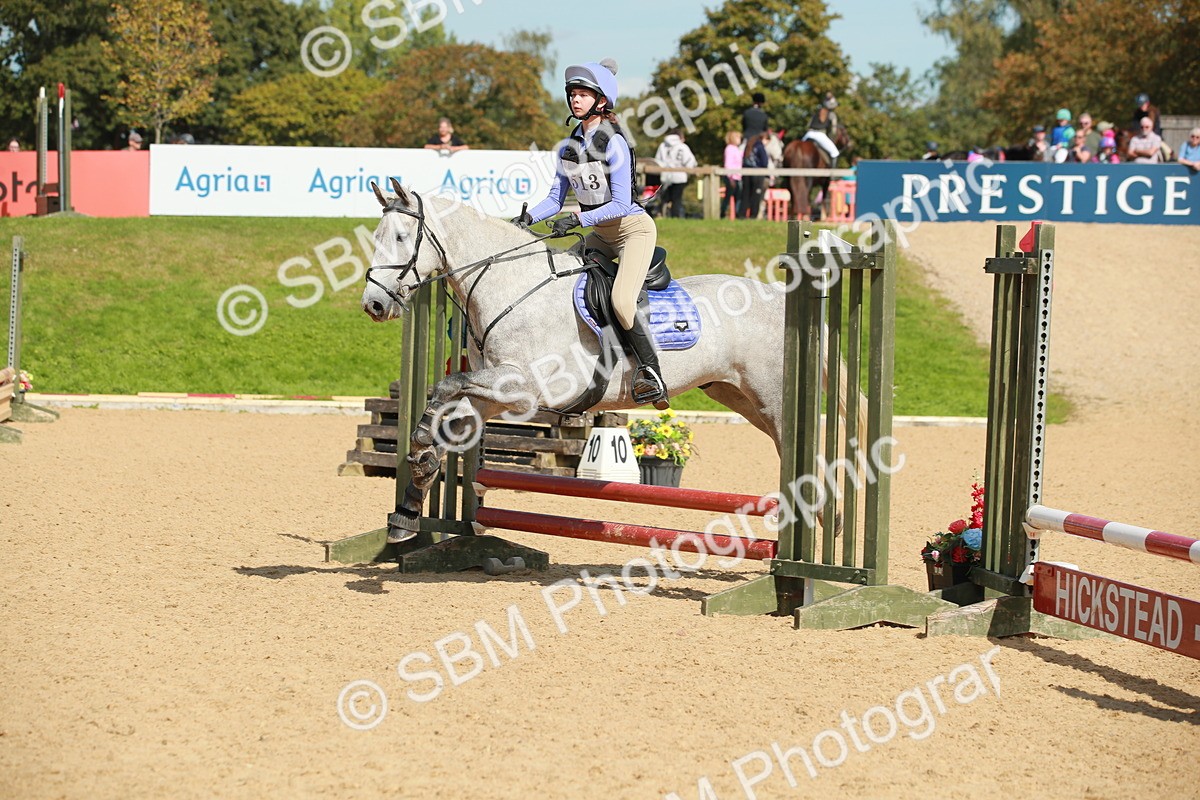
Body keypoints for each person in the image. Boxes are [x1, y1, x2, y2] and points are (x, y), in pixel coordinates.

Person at [518, 59, 667, 409]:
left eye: (583, 94)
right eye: (573, 94)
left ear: (601, 101)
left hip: (632, 231)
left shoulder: (614, 142)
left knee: (621, 301)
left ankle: (651, 373)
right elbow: (554, 200)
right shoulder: (568, 147)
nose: (575, 99)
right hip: (600, 233)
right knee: (558, 278)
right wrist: (524, 219)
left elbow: (621, 204)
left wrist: (578, 218)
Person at [654, 129, 697, 219]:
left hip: (665, 177)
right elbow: (690, 162)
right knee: (676, 199)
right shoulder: (683, 147)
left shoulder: (662, 146)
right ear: (680, 137)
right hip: (679, 177)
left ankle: (661, 215)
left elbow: (657, 161)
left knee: (664, 198)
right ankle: (675, 216)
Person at [802, 92, 840, 165]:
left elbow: (808, 125)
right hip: (820, 135)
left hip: (808, 134)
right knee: (835, 153)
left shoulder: (816, 112)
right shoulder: (832, 114)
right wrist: (832, 138)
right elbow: (833, 131)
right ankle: (832, 175)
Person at [739, 132, 769, 220]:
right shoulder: (760, 147)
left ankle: (742, 214)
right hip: (757, 173)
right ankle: (753, 215)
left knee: (745, 194)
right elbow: (764, 161)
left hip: (746, 173)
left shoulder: (749, 146)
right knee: (756, 195)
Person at [721, 131, 742, 219]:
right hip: (732, 177)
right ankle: (723, 213)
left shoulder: (737, 149)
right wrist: (731, 177)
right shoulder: (729, 149)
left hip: (737, 176)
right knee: (728, 197)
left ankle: (737, 214)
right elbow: (728, 164)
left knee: (738, 197)